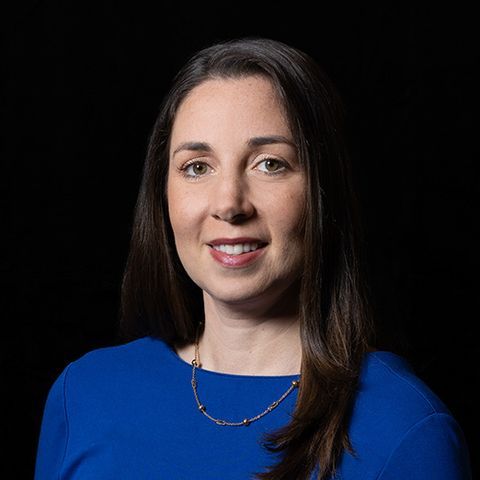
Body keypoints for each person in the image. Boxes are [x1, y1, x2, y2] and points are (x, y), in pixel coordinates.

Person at [34, 37, 472, 480]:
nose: (229, 204)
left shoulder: (407, 431)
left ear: (324, 191)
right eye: (197, 167)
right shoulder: (84, 395)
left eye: (269, 164)